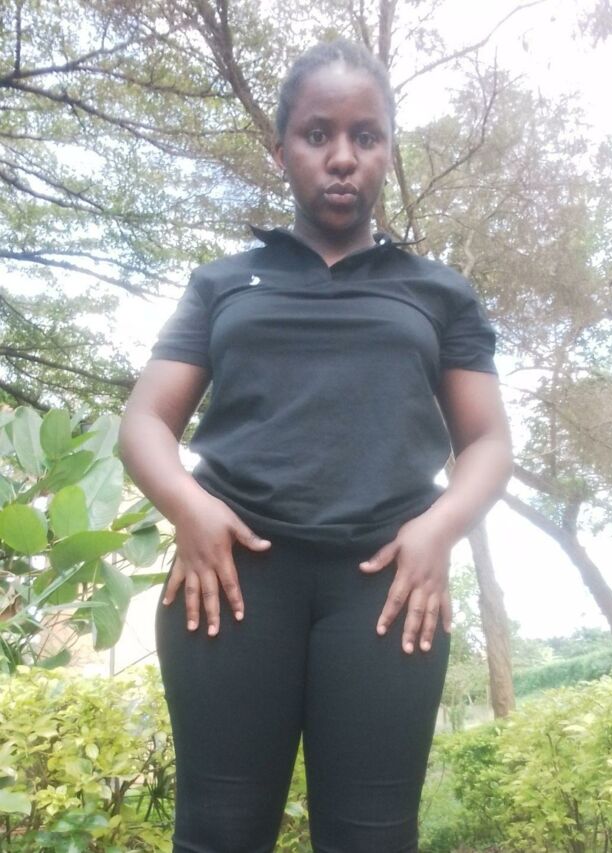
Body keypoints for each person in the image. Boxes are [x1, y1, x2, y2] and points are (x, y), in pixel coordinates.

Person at [119, 38, 513, 853]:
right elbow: (144, 422)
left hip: (389, 589)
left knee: (372, 840)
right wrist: (189, 507)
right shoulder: (223, 284)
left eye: (366, 136)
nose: (342, 157)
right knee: (219, 834)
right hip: (229, 580)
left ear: (387, 151)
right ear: (281, 149)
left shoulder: (437, 293)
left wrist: (439, 529)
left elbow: (487, 441)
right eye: (317, 133)